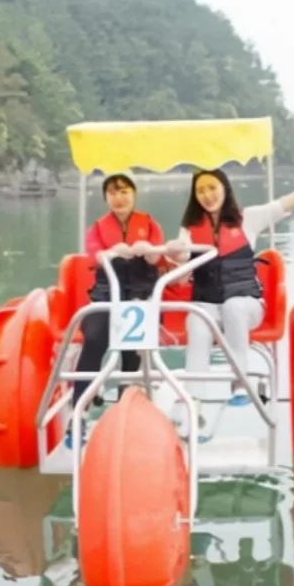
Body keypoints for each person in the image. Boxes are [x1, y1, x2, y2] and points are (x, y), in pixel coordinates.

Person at [168, 167, 294, 418]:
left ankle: (240, 383)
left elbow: (283, 205)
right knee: (196, 322)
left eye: (212, 187)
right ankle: (193, 400)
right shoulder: (188, 231)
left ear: (224, 189)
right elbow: (182, 276)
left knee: (234, 307)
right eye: (201, 190)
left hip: (246, 304)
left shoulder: (248, 219)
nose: (207, 195)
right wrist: (179, 258)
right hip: (207, 304)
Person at [66, 172, 164, 447]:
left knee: (132, 345)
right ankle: (79, 412)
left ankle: (126, 411)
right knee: (95, 337)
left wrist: (148, 250)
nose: (119, 198)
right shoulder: (97, 230)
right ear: (105, 198)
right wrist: (111, 253)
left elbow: (158, 256)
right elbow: (95, 254)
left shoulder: (150, 225)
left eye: (124, 192)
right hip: (107, 295)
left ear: (133, 194)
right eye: (112, 192)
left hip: (141, 296)